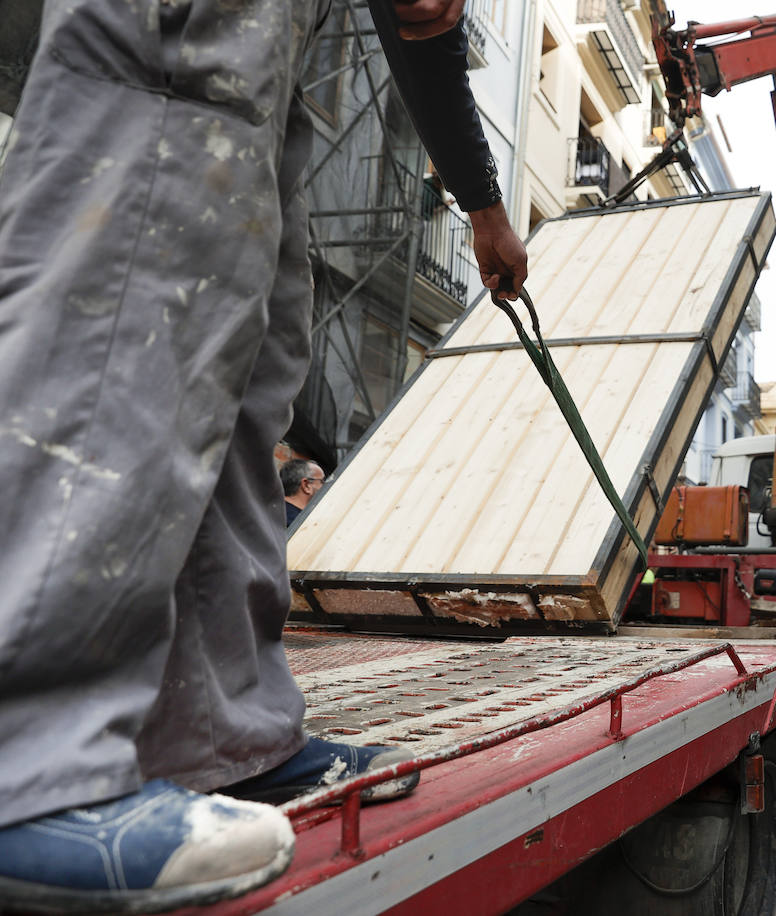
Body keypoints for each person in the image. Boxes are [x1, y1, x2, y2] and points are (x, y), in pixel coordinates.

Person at [0, 0, 528, 910]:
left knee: (248, 350)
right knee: (143, 253)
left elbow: (424, 25)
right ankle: (28, 760)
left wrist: (481, 205)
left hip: (277, 43)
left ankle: (223, 739)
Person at [281, 458, 325, 526]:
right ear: (306, 485)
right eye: (322, 481)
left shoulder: (271, 513)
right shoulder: (299, 524)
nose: (325, 486)